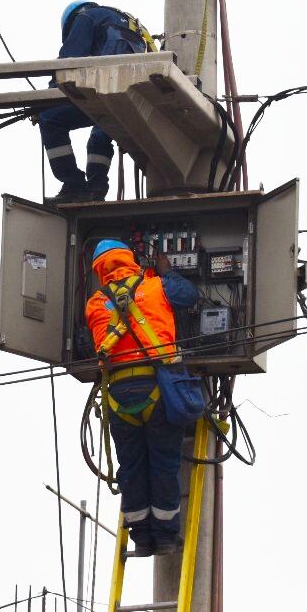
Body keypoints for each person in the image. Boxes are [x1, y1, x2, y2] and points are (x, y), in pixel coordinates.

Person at [84, 238, 200, 556]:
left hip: (119, 396)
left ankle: (141, 538)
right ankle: (164, 536)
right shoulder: (156, 286)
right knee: (163, 463)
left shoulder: (95, 302)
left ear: (99, 270)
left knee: (132, 467)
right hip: (157, 389)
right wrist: (167, 272)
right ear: (129, 259)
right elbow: (191, 296)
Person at [40, 0, 157, 203]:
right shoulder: (134, 26)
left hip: (104, 92)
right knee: (101, 132)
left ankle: (74, 185)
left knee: (49, 118)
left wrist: (47, 97)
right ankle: (96, 187)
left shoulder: (85, 17)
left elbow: (70, 59)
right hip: (135, 100)